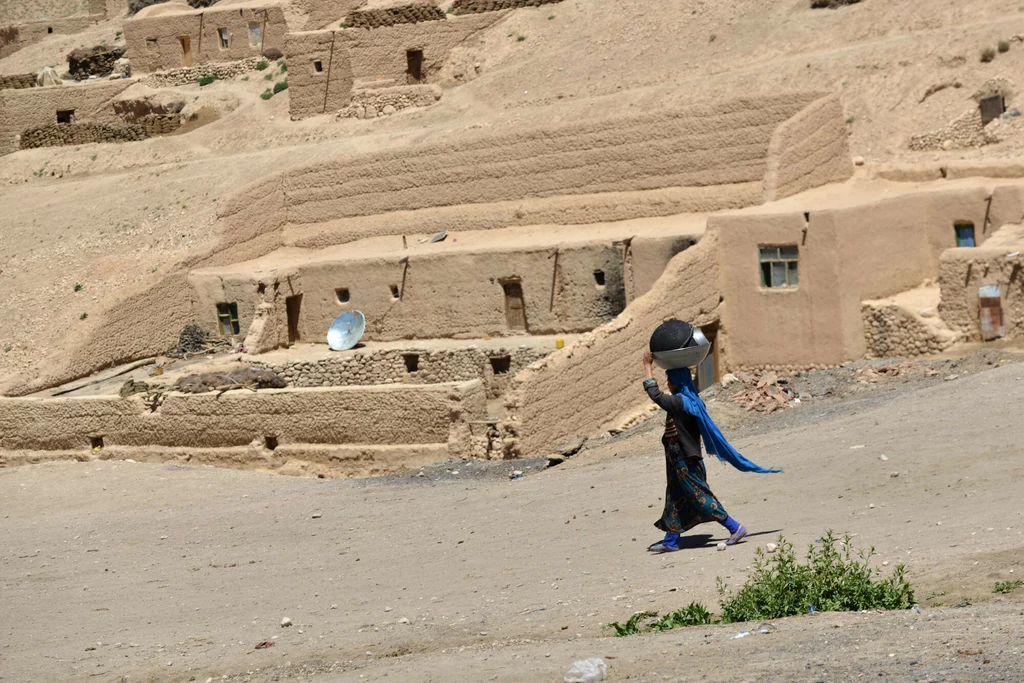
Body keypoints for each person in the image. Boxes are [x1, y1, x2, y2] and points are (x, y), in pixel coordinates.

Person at [641, 351, 780, 553]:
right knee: (675, 498)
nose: (668, 384)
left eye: (670, 380)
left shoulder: (682, 402)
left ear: (678, 382)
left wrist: (647, 366)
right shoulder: (692, 401)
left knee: (700, 497)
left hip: (684, 461)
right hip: (678, 460)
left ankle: (735, 527)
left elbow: (655, 395)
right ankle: (670, 541)